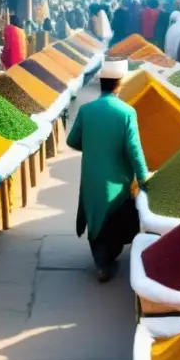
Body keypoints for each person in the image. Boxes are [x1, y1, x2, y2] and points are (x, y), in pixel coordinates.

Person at [66, 59, 149, 282]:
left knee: (95, 217)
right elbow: (134, 149)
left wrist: (93, 145)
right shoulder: (126, 112)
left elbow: (73, 140)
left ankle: (101, 261)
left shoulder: (86, 110)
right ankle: (104, 263)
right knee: (116, 220)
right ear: (120, 83)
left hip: (92, 179)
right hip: (117, 181)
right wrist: (143, 177)